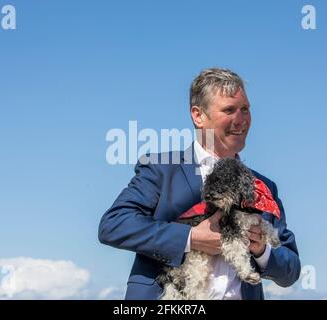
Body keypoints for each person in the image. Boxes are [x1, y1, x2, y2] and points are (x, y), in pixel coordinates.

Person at [98, 68, 301, 300]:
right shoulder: (160, 168)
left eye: (245, 109)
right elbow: (113, 225)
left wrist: (261, 250)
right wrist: (191, 238)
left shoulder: (263, 187)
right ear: (198, 115)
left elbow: (291, 270)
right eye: (229, 110)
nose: (241, 120)